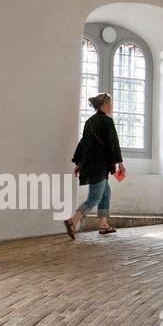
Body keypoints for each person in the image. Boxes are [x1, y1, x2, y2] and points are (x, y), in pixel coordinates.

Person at [64, 92, 124, 239]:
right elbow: (113, 144)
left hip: (91, 165)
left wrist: (79, 163)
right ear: (104, 105)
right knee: (94, 197)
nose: (112, 106)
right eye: (110, 103)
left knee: (105, 193)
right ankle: (73, 221)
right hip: (99, 166)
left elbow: (83, 143)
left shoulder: (89, 122)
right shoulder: (107, 122)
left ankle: (103, 225)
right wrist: (120, 163)